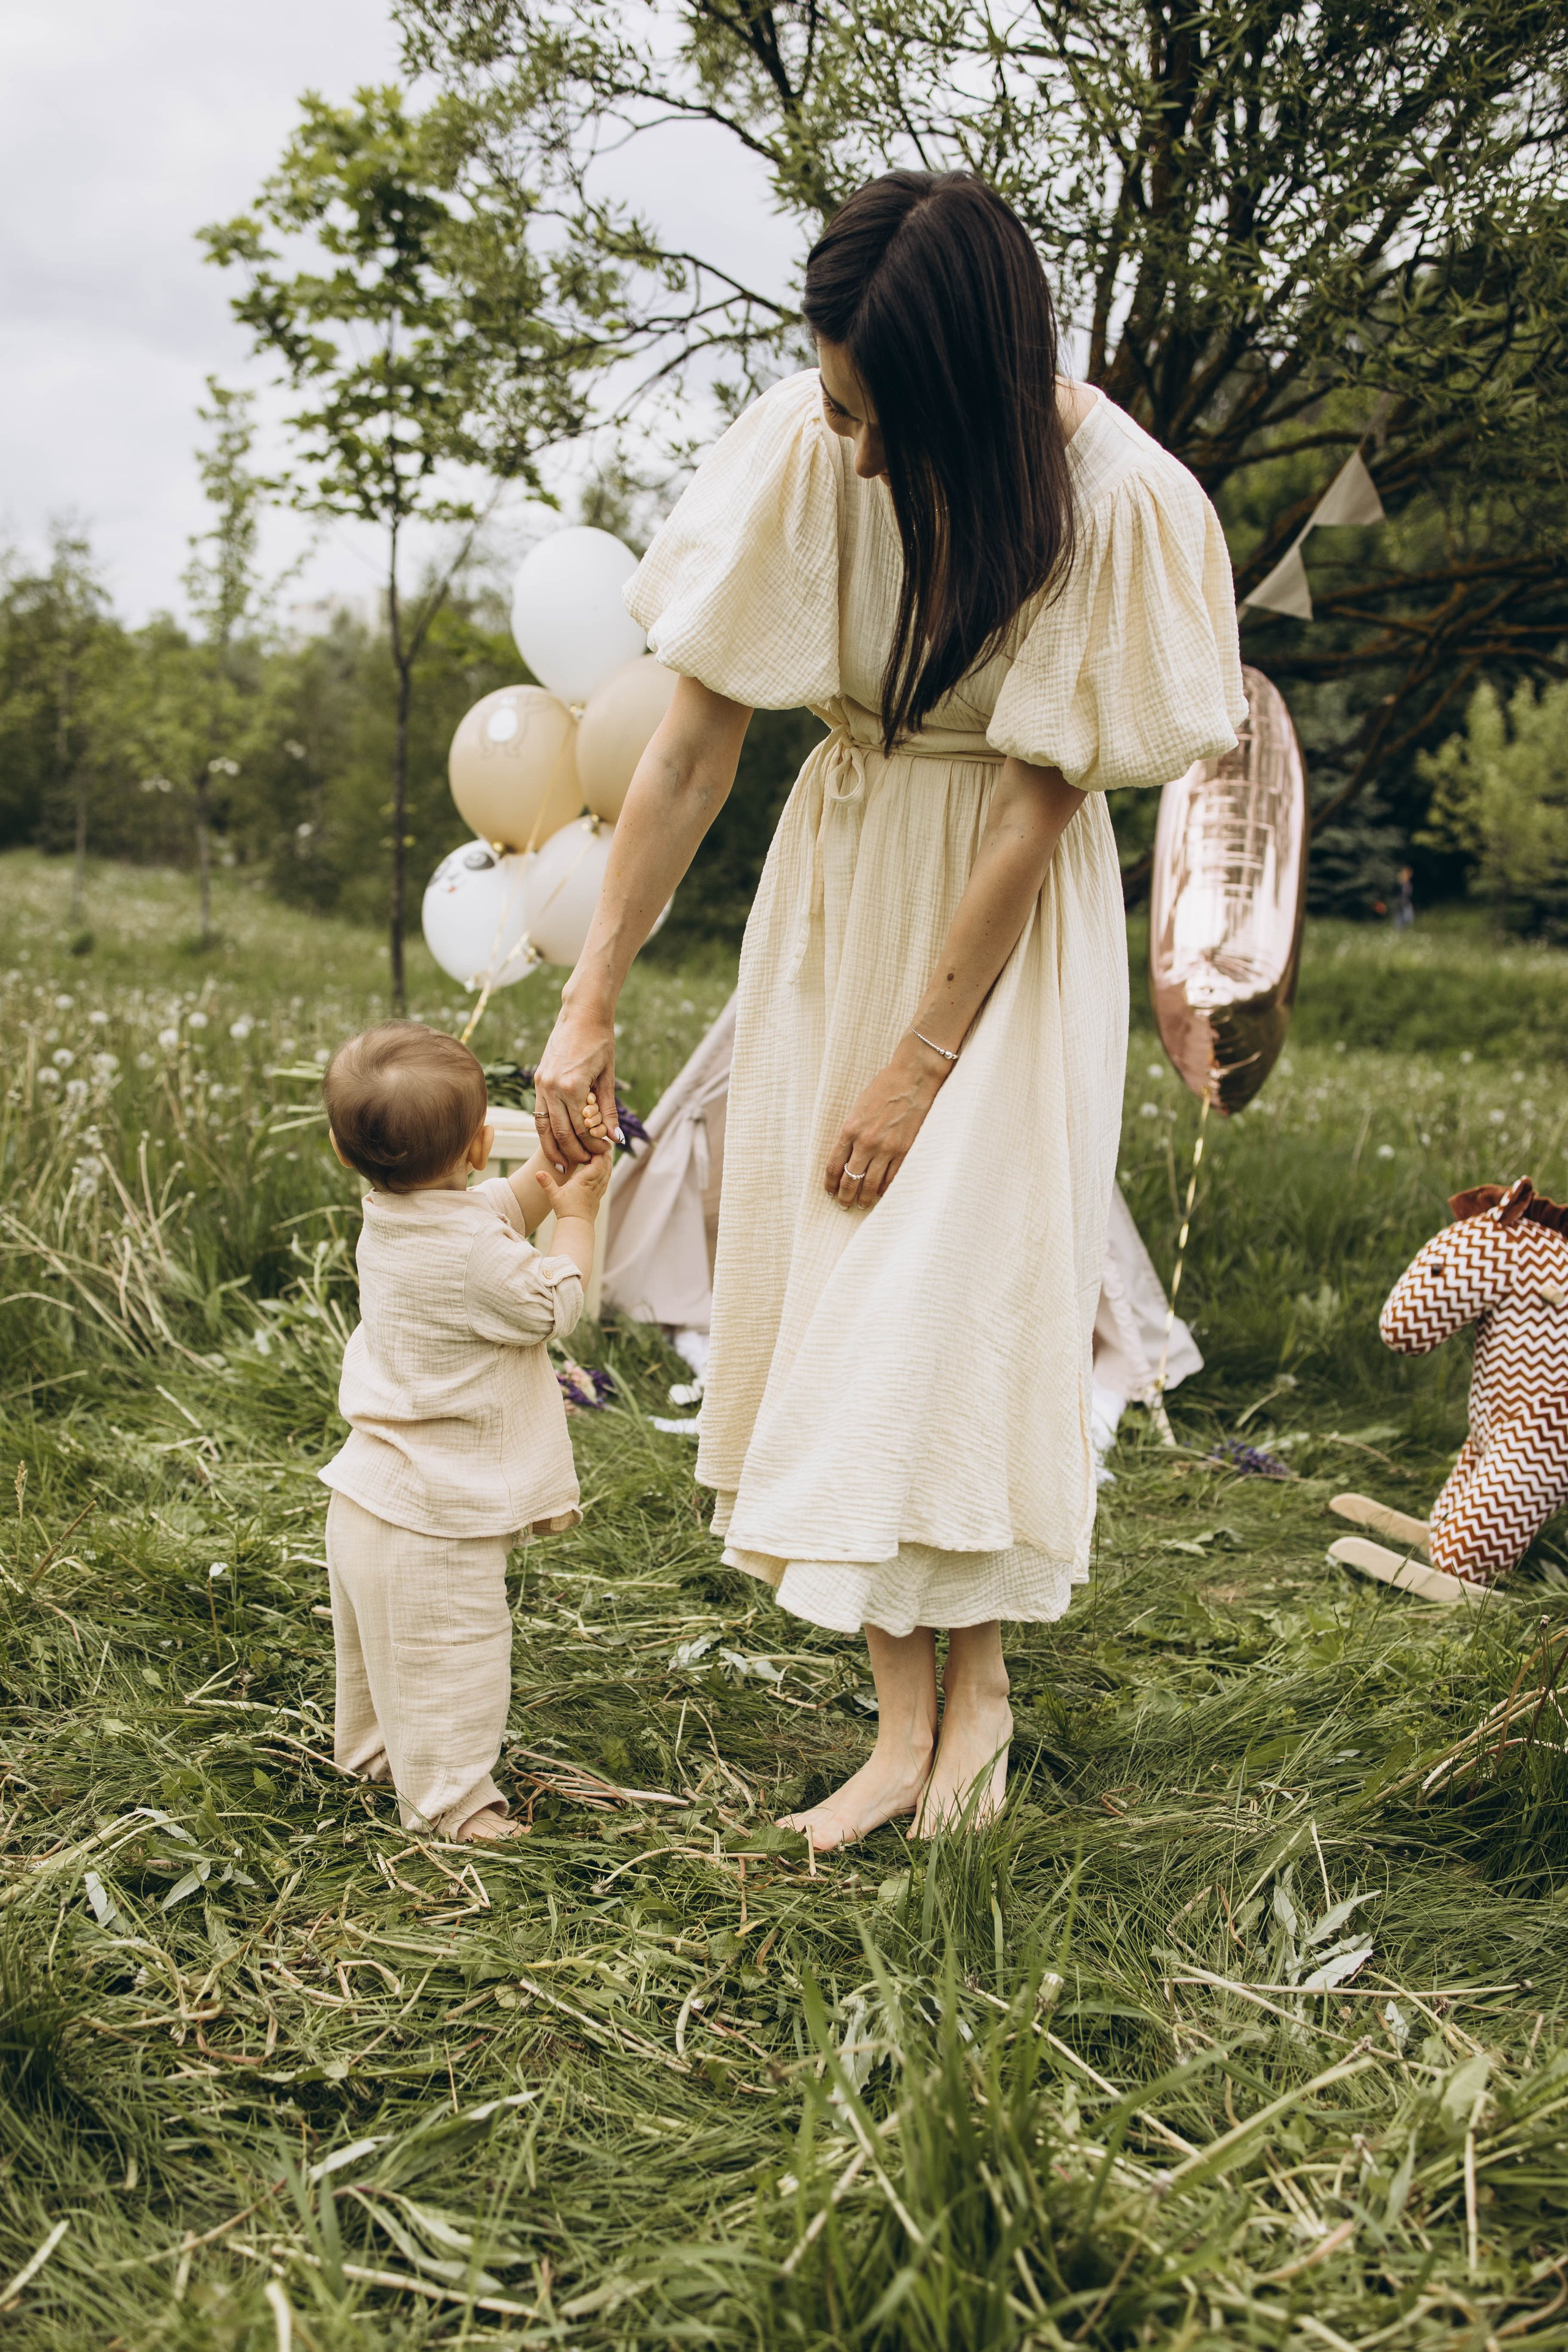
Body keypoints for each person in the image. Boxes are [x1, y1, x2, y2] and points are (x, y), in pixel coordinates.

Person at [534, 170, 1245, 1851]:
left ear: (962, 395)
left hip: (999, 932)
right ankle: (899, 1720)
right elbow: (696, 745)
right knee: (838, 1287)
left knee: (942, 1294)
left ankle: (979, 1695)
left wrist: (920, 1065)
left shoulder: (1118, 504)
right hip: (843, 882)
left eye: (872, 413)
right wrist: (589, 996)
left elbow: (1033, 812)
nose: (846, 443)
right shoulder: (807, 444)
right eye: (835, 403)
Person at [320, 1022, 611, 1842]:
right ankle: (453, 1805)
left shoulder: (391, 1216)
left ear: (348, 1157)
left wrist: (548, 1175)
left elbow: (492, 1209)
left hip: (368, 1496)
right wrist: (578, 1218)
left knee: (379, 1654)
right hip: (436, 1518)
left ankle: (376, 1757)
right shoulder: (481, 1259)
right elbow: (553, 1305)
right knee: (452, 1658)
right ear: (481, 1143)